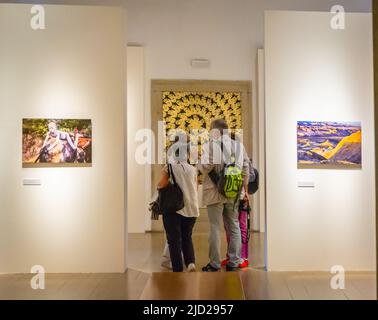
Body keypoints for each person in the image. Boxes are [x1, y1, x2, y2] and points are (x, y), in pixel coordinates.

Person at [197, 119, 249, 272]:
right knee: (234, 226)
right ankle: (234, 261)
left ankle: (214, 263)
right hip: (233, 191)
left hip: (214, 192)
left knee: (215, 227)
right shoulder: (239, 146)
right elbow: (246, 168)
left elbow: (206, 166)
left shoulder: (211, 146)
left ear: (215, 131)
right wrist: (243, 188)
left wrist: (199, 163)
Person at [157, 138, 200, 272]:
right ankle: (191, 263)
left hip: (174, 209)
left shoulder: (169, 167)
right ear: (186, 154)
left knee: (174, 239)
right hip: (192, 209)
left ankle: (177, 268)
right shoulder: (193, 169)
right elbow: (196, 187)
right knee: (187, 237)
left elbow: (161, 185)